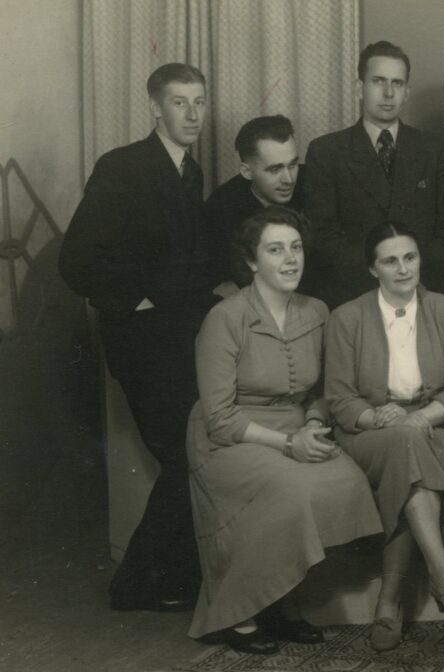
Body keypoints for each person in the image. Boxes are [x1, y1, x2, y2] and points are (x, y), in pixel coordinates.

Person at [185, 207, 383, 654]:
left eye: (296, 248)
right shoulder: (225, 317)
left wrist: (312, 424)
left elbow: (323, 390)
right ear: (251, 261)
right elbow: (219, 416)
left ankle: (277, 600)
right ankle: (239, 614)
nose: (291, 259)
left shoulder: (317, 311)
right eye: (275, 250)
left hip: (296, 428)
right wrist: (288, 444)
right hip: (231, 437)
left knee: (346, 479)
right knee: (290, 489)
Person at [59, 62, 217, 612]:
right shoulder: (122, 166)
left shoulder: (190, 171)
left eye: (199, 101)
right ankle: (134, 584)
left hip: (181, 341)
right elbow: (77, 262)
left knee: (196, 453)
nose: (192, 114)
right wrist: (139, 302)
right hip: (142, 345)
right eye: (179, 102)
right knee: (185, 456)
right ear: (155, 107)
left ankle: (171, 578)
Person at [324, 222, 444, 652]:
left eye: (410, 257)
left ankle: (388, 602)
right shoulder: (347, 317)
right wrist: (378, 419)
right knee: (403, 447)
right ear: (372, 269)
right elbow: (340, 399)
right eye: (390, 261)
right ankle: (443, 574)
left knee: (408, 455)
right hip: (369, 433)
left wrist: (419, 417)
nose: (403, 268)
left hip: (433, 428)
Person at [303, 40, 444, 309]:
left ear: (407, 92)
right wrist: (381, 276)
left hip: (422, 293)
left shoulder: (434, 149)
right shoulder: (327, 151)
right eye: (378, 81)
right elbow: (323, 237)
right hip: (355, 298)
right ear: (359, 88)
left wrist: (410, 276)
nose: (389, 93)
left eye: (397, 83)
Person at [204, 115, 305, 287]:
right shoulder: (221, 208)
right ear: (246, 172)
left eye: (293, 165)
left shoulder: (313, 183)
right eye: (275, 169)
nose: (288, 179)